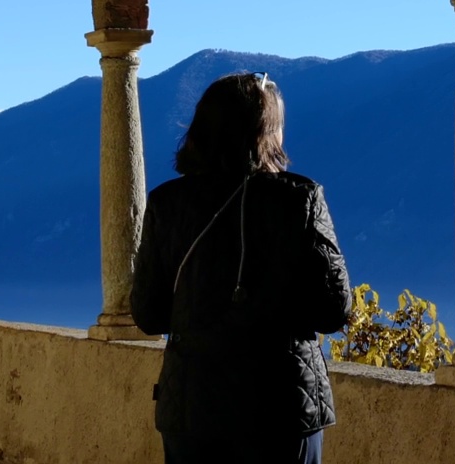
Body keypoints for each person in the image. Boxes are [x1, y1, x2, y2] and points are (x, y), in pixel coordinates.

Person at [131, 72, 352, 464]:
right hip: (283, 406)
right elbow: (334, 309)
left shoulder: (166, 203)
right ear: (264, 133)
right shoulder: (300, 199)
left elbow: (148, 313)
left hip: (192, 407)